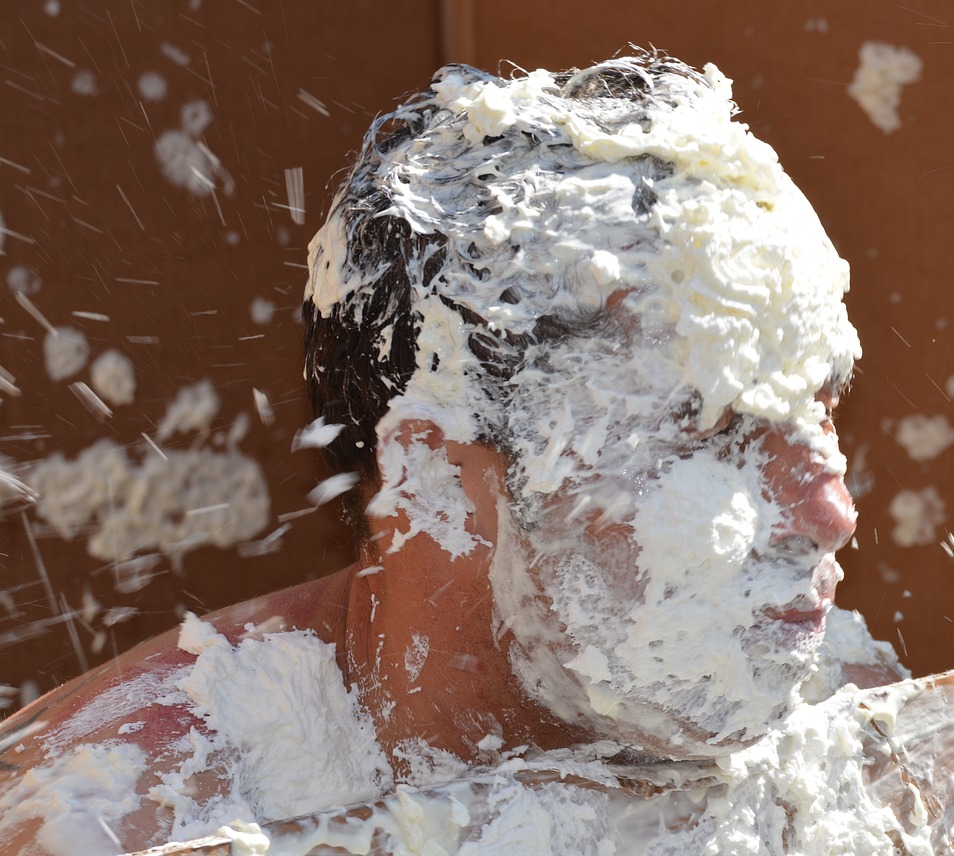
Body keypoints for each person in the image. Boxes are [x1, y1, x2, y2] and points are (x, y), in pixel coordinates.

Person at [0, 52, 903, 854]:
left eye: (821, 414)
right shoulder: (116, 816)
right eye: (714, 430)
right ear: (436, 477)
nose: (830, 512)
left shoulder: (862, 736)